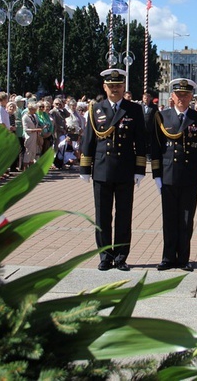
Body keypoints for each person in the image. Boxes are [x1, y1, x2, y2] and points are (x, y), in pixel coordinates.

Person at [80, 69, 147, 272]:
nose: (115, 89)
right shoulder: (95, 109)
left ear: (123, 87)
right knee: (102, 216)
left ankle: (120, 256)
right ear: (105, 87)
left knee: (124, 216)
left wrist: (140, 169)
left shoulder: (133, 109)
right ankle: (104, 256)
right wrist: (85, 167)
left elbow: (140, 141)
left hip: (125, 169)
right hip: (101, 169)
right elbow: (88, 139)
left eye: (118, 86)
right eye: (111, 86)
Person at [151, 79, 197, 272]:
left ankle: (184, 258)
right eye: (178, 95)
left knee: (186, 220)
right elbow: (156, 148)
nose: (182, 98)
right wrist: (157, 175)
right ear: (172, 96)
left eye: (186, 95)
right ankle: (168, 258)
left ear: (191, 96)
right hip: (168, 175)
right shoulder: (162, 117)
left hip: (190, 175)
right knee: (169, 219)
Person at [21, 102, 42, 170]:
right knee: (28, 153)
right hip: (29, 137)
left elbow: (36, 124)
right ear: (30, 109)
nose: (35, 111)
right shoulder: (25, 117)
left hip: (35, 137)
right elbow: (26, 129)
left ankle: (31, 169)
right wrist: (36, 130)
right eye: (34, 109)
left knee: (33, 153)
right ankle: (25, 169)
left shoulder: (35, 116)